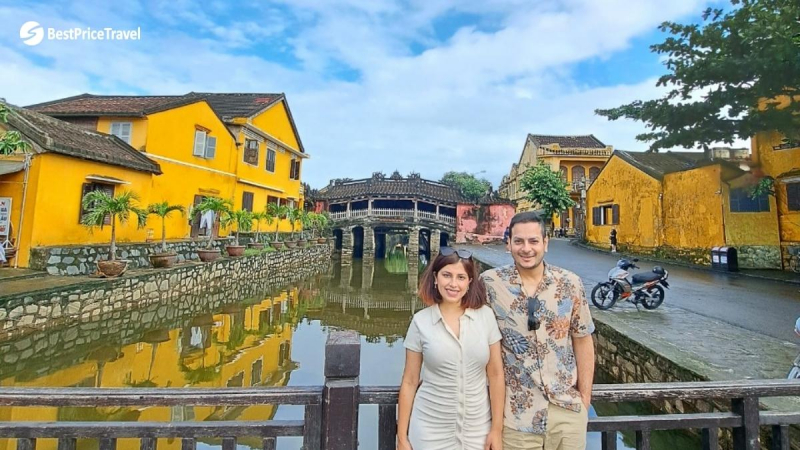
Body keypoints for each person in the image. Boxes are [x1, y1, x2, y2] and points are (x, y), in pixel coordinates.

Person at [481, 211, 595, 450]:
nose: (526, 248)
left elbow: (582, 340)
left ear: (545, 243)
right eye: (519, 241)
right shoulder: (490, 284)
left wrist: (584, 400)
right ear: (508, 244)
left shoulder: (569, 283)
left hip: (566, 411)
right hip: (516, 417)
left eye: (533, 241)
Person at [398, 247, 505, 450]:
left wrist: (496, 429)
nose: (453, 284)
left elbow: (496, 374)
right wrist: (402, 437)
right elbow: (410, 380)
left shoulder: (485, 317)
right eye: (447, 275)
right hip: (430, 426)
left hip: (477, 428)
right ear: (435, 278)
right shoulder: (421, 322)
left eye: (461, 277)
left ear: (470, 282)